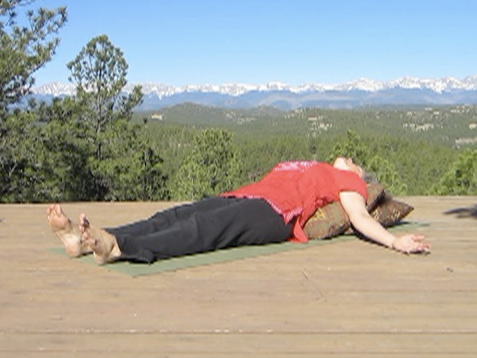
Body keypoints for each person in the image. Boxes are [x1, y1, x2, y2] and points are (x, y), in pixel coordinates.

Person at [47, 157, 430, 265]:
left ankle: (117, 247)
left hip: (274, 215)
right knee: (173, 215)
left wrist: (396, 242)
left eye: (356, 163)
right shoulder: (316, 166)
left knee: (201, 229)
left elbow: (360, 218)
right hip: (245, 196)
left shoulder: (351, 184)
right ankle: (83, 241)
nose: (350, 159)